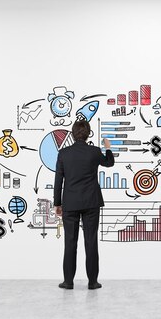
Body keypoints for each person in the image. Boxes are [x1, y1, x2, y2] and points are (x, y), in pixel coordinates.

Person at [54, 120, 114, 290]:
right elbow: (109, 163)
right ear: (88, 133)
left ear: (73, 134)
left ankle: (68, 281)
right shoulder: (94, 152)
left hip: (70, 203)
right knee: (91, 242)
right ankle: (93, 282)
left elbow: (58, 180)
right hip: (91, 202)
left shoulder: (64, 153)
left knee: (70, 242)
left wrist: (57, 203)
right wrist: (107, 147)